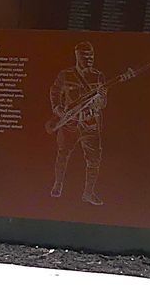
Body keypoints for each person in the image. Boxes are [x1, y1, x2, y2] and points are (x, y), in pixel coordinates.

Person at [47, 42, 107, 205]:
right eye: (85, 56)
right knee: (63, 154)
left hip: (90, 123)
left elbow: (103, 104)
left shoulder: (98, 76)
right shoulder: (66, 75)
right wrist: (58, 108)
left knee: (94, 159)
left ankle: (88, 193)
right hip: (69, 124)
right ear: (77, 56)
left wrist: (99, 99)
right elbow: (55, 91)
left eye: (91, 56)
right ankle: (58, 184)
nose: (89, 59)